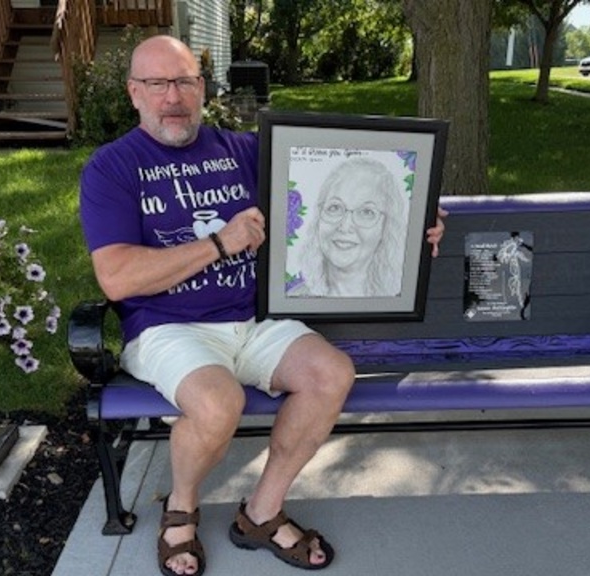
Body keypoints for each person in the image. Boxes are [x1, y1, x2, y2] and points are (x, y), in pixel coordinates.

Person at [78, 35, 445, 576]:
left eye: (183, 81)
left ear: (202, 88)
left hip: (256, 319)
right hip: (168, 326)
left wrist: (418, 224)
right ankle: (180, 508)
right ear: (135, 93)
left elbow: (340, 187)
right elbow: (116, 277)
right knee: (217, 402)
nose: (172, 97)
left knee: (330, 373)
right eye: (157, 84)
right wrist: (218, 244)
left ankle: (262, 512)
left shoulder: (248, 151)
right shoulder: (112, 168)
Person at [291, 156, 408, 297]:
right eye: (334, 208)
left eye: (366, 212)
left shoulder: (399, 301)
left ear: (387, 227)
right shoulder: (292, 300)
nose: (345, 226)